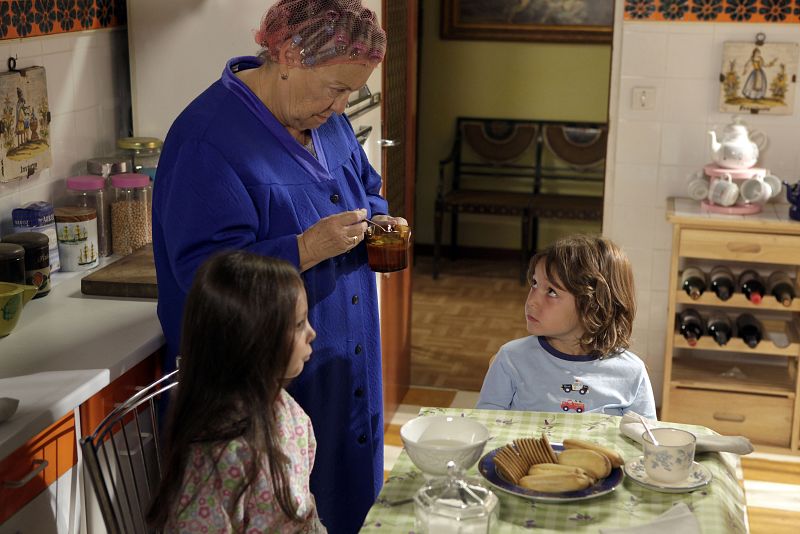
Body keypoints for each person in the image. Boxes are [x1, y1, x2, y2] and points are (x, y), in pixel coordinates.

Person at [151, 2, 403, 531]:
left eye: (351, 93)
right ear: (288, 55)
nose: (341, 106)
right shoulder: (206, 140)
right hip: (261, 386)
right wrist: (305, 248)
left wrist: (378, 220)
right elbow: (205, 276)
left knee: (351, 509)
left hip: (344, 371)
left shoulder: (325, 120)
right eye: (335, 88)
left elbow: (366, 187)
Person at [147, 251, 323, 532]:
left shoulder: (290, 412)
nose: (312, 333)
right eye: (300, 324)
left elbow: (303, 508)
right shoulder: (221, 456)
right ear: (257, 341)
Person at [476, 235, 657, 420]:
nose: (531, 302)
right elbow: (486, 424)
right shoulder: (511, 359)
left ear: (593, 305)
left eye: (551, 292)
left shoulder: (632, 372)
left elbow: (646, 435)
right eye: (534, 284)